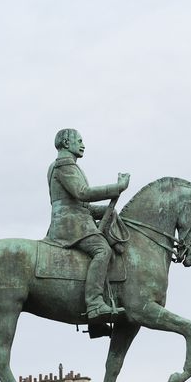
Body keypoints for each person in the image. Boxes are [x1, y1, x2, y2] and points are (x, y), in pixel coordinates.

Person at [46, 128, 130, 320]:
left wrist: (107, 211)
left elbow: (80, 204)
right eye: (79, 140)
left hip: (76, 216)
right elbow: (82, 193)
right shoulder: (64, 164)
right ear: (67, 143)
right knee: (102, 251)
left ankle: (117, 244)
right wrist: (117, 188)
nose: (83, 145)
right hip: (70, 224)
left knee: (111, 214)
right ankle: (94, 303)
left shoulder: (66, 166)